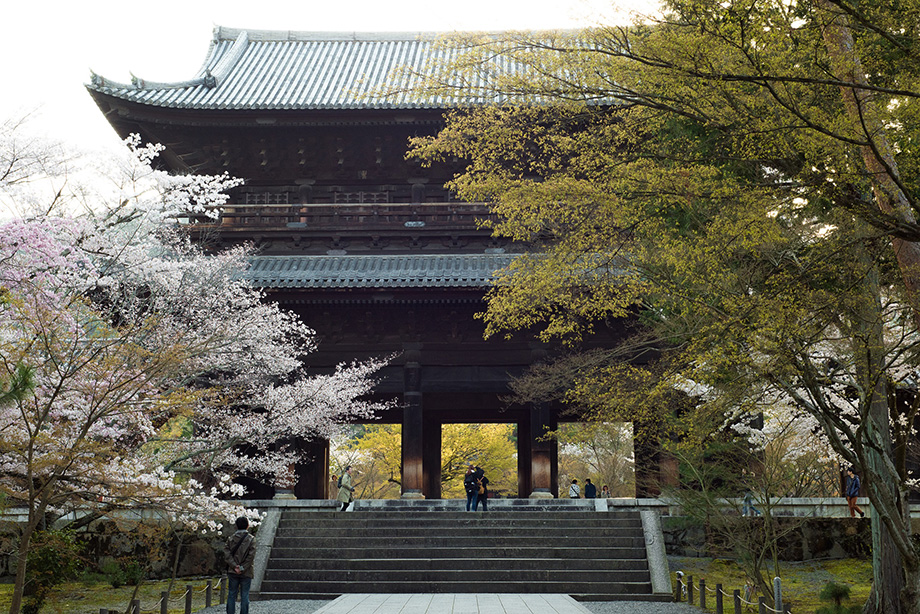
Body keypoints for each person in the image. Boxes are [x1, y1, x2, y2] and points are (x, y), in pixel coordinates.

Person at [224, 516, 255, 614]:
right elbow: (251, 557)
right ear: (247, 526)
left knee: (231, 595)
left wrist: (234, 566)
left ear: (236, 526)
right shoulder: (251, 539)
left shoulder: (231, 539)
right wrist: (242, 568)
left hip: (233, 571)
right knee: (245, 595)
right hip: (246, 571)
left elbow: (227, 554)